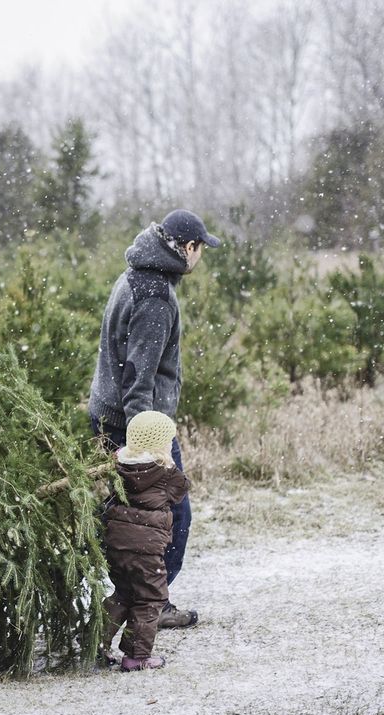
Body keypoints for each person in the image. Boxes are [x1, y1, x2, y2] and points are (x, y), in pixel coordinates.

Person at [88, 209, 220, 629]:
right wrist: (146, 450)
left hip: (110, 417)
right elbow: (137, 378)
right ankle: (147, 603)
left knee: (125, 519)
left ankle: (136, 600)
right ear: (187, 248)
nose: (200, 257)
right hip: (139, 426)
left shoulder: (133, 276)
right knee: (171, 517)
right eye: (200, 248)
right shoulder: (155, 298)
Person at [100, 410, 191, 671]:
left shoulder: (118, 464)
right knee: (150, 599)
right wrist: (170, 465)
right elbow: (180, 491)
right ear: (162, 444)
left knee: (123, 594)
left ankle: (94, 642)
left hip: (117, 544)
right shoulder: (165, 472)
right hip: (147, 548)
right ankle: (136, 657)